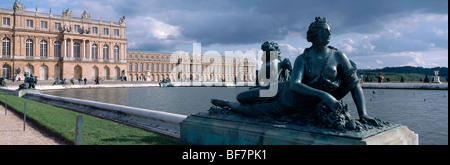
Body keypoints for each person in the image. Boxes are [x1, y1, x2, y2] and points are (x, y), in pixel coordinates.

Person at [211, 17, 380, 126]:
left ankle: (228, 105)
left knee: (253, 111)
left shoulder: (338, 55)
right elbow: (294, 84)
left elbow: (354, 84)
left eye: (330, 30)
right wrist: (325, 95)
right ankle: (231, 102)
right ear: (314, 35)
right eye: (324, 30)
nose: (329, 33)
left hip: (294, 105)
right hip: (283, 90)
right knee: (242, 97)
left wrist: (363, 114)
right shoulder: (302, 58)